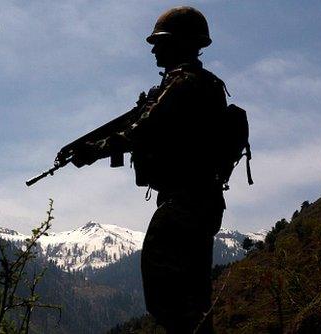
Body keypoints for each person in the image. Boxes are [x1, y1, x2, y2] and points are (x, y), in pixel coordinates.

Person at [72, 6, 227, 333]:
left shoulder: (185, 85)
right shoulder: (197, 84)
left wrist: (94, 151)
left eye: (162, 42)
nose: (154, 49)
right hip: (200, 202)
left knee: (167, 296)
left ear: (182, 43)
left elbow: (142, 131)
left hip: (184, 203)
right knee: (193, 298)